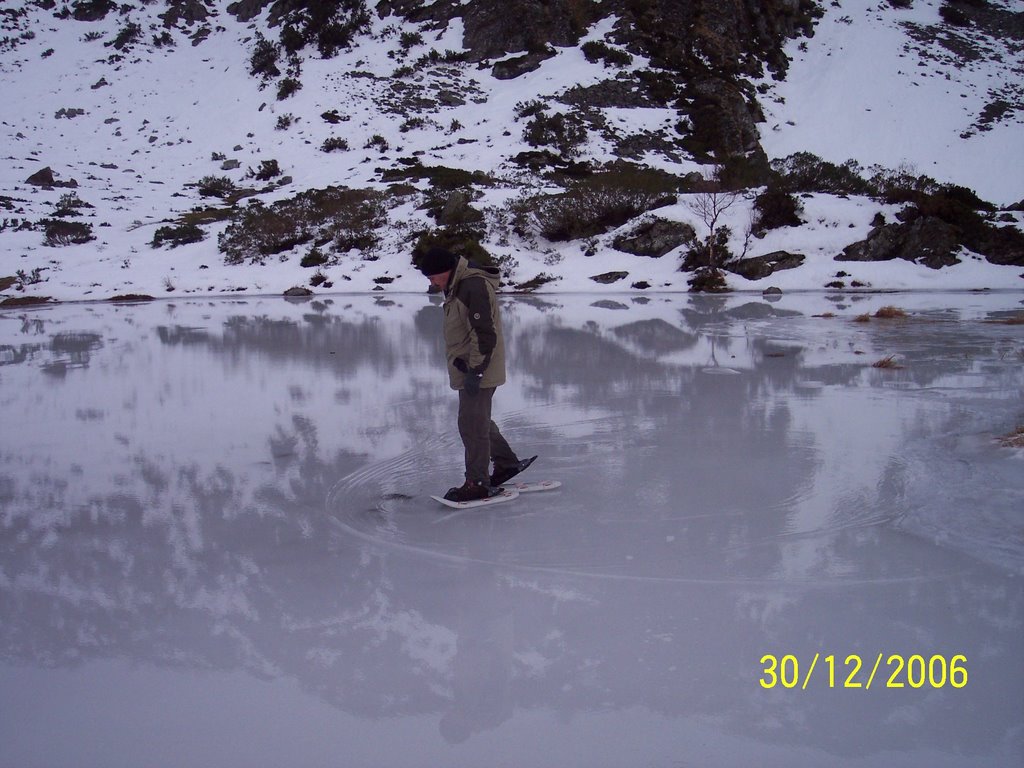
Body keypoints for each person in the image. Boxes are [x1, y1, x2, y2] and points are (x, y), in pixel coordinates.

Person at [416, 246, 535, 502]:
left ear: (447, 270)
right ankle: (507, 463)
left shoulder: (472, 286)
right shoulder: (457, 286)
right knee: (477, 419)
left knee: (471, 424)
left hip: (478, 367)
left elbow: (484, 334)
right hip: (469, 365)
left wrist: (476, 372)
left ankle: (478, 482)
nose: (431, 282)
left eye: (433, 276)